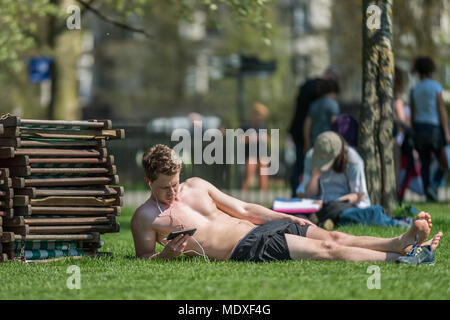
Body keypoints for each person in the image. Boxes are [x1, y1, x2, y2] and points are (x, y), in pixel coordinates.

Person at [130, 144, 442, 264]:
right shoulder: (144, 217)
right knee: (327, 251)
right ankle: (403, 259)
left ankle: (399, 242)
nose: (173, 193)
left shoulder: (197, 185)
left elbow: (245, 210)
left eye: (175, 183)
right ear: (148, 183)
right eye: (164, 189)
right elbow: (145, 256)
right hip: (246, 247)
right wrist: (164, 256)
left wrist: (285, 216)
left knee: (334, 237)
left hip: (261, 226)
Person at [296, 131, 413, 228]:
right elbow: (307, 193)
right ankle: (329, 220)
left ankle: (397, 223)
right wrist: (315, 175)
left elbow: (359, 196)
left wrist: (331, 204)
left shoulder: (353, 160)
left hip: (346, 206)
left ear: (338, 153)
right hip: (318, 207)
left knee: (358, 214)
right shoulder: (311, 156)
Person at [288, 67, 340, 197]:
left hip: (310, 140)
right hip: (325, 141)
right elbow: (335, 123)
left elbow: (307, 123)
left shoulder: (313, 100)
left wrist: (307, 141)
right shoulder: (330, 103)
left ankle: (299, 194)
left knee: (305, 169)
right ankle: (321, 195)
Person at [410, 56, 450, 202]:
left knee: (425, 162)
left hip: (420, 129)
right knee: (444, 162)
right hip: (434, 128)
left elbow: (413, 114)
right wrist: (446, 132)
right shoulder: (436, 87)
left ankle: (429, 193)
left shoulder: (415, 89)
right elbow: (441, 111)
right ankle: (433, 185)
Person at [303, 79, 340, 153]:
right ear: (333, 92)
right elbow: (334, 123)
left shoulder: (314, 104)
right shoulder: (333, 104)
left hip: (315, 142)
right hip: (329, 142)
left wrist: (307, 143)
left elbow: (307, 125)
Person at [241, 102, 269, 191]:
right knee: (249, 173)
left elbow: (268, 140)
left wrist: (265, 138)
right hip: (250, 154)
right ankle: (243, 193)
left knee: (263, 171)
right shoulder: (246, 126)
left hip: (261, 154)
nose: (259, 117)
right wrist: (249, 137)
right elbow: (240, 139)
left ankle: (263, 195)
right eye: (258, 114)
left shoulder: (263, 126)